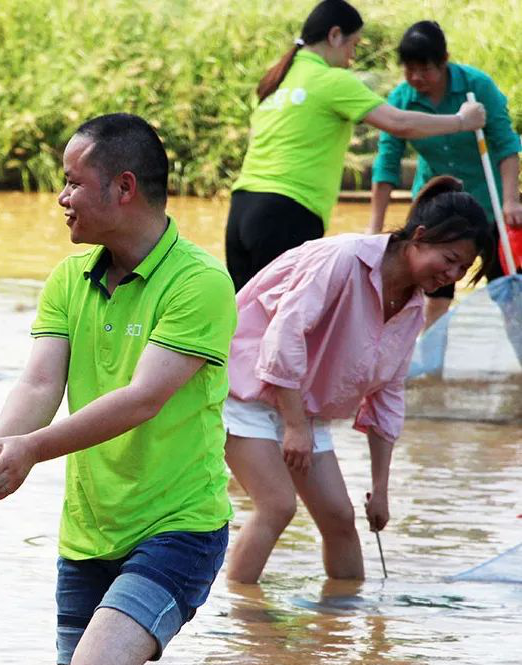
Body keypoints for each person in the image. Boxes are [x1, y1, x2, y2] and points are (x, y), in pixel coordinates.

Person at [0, 114, 238, 665]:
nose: (61, 198)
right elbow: (39, 382)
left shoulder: (200, 283)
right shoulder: (69, 278)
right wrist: (2, 445)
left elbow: (143, 398)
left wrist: (33, 451)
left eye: (71, 182)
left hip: (178, 524)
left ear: (123, 188)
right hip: (88, 530)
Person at [223, 176, 490, 584]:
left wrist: (380, 489)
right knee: (277, 506)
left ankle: (349, 622)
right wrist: (294, 426)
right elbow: (284, 335)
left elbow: (387, 395)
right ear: (420, 237)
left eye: (462, 268)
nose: (451, 275)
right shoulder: (344, 258)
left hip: (302, 408)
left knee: (340, 518)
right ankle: (246, 627)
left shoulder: (413, 307)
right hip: (247, 391)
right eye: (449, 259)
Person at [225, 0, 486, 293]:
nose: (351, 59)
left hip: (241, 209)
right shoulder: (331, 80)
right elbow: (398, 122)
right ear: (335, 35)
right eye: (353, 46)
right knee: (283, 320)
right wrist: (462, 121)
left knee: (243, 320)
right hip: (287, 211)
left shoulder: (275, 80)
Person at [367, 20, 522, 328]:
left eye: (424, 69)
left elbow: (506, 146)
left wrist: (510, 201)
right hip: (437, 209)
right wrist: (374, 228)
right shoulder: (401, 99)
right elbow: (387, 164)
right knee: (432, 295)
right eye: (409, 70)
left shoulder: (476, 87)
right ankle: (426, 369)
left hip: (489, 203)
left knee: (510, 295)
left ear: (444, 60)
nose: (416, 78)